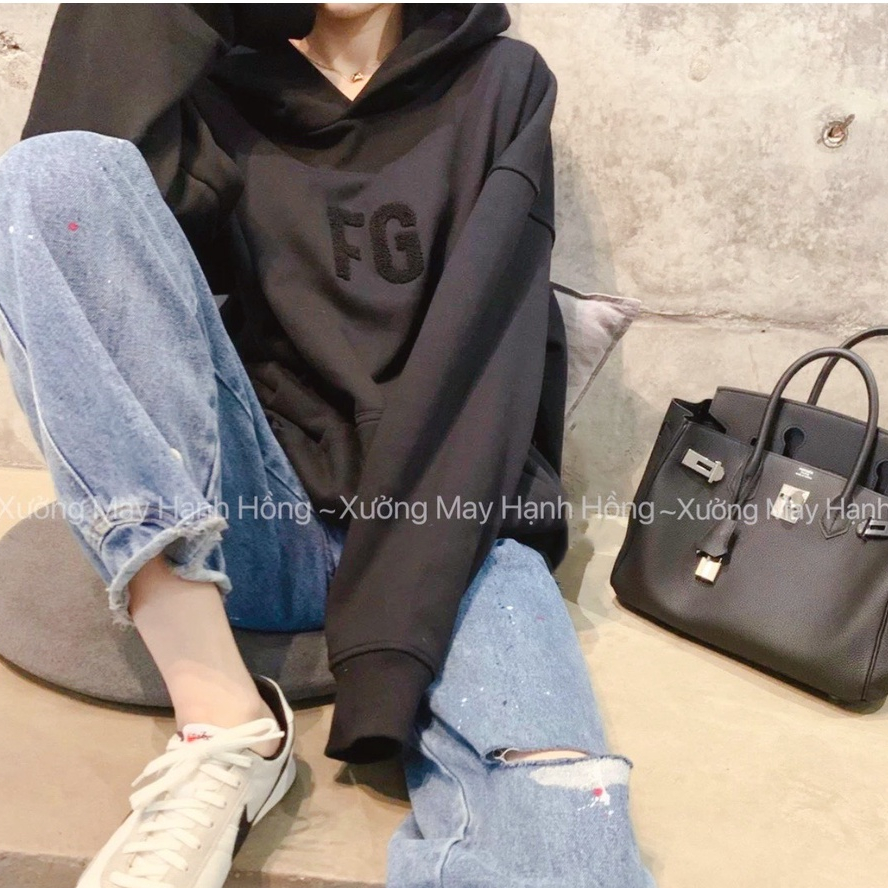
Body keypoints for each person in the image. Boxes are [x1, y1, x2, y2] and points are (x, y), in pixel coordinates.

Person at [0, 4, 656, 887]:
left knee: (561, 822)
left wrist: (388, 648)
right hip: (260, 512)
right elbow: (84, 254)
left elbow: (485, 361)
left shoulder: (501, 81)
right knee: (53, 171)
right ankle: (224, 720)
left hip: (454, 523)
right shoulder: (224, 86)